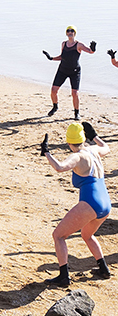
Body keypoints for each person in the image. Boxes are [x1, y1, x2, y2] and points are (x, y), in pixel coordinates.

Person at [41, 122, 111, 287]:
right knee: (87, 235)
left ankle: (64, 277)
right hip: (105, 203)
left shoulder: (78, 156)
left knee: (58, 236)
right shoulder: (93, 150)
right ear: (83, 138)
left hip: (91, 202)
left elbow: (59, 167)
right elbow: (106, 147)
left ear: (68, 142)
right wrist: (94, 136)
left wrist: (46, 153)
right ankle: (103, 269)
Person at [43, 26, 96, 120]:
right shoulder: (63, 44)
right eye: (68, 31)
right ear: (66, 33)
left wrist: (93, 49)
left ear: (75, 33)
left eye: (72, 31)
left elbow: (90, 51)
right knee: (53, 90)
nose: (70, 32)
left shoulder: (79, 45)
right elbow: (62, 56)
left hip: (75, 71)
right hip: (62, 70)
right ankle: (55, 107)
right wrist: (51, 58)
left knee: (75, 93)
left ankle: (76, 113)